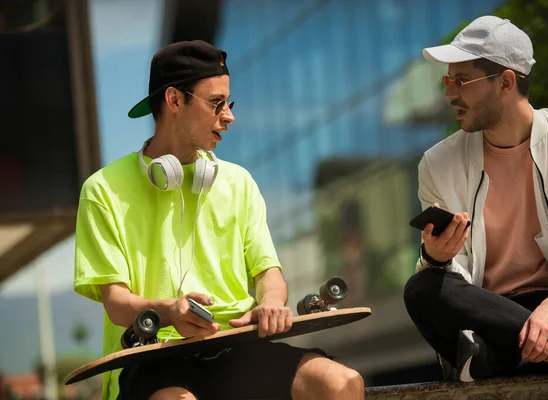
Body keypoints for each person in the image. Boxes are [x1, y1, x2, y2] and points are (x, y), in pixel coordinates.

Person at [73, 40, 364, 400]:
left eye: (229, 103)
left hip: (238, 348)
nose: (229, 116)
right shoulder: (102, 190)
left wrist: (271, 301)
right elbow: (117, 303)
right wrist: (170, 311)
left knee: (343, 383)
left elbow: (268, 274)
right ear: (175, 100)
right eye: (216, 103)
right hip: (155, 358)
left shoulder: (239, 182)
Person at [403, 15, 548, 382]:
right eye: (448, 80)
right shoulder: (437, 164)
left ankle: (496, 357)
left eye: (461, 80)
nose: (449, 93)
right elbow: (453, 279)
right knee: (423, 288)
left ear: (506, 82)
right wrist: (437, 258)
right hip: (490, 310)